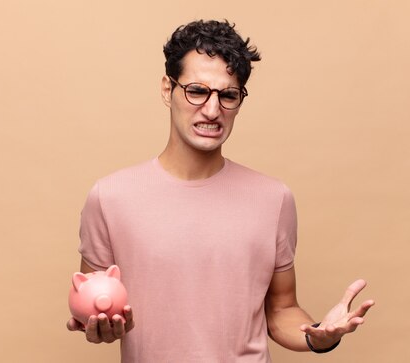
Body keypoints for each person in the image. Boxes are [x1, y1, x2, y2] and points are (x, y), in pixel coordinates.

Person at [67, 19, 374, 362]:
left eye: (227, 95)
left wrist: (320, 336)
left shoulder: (274, 199)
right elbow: (94, 306)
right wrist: (100, 325)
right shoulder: (109, 198)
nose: (212, 110)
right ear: (168, 90)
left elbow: (282, 310)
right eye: (197, 90)